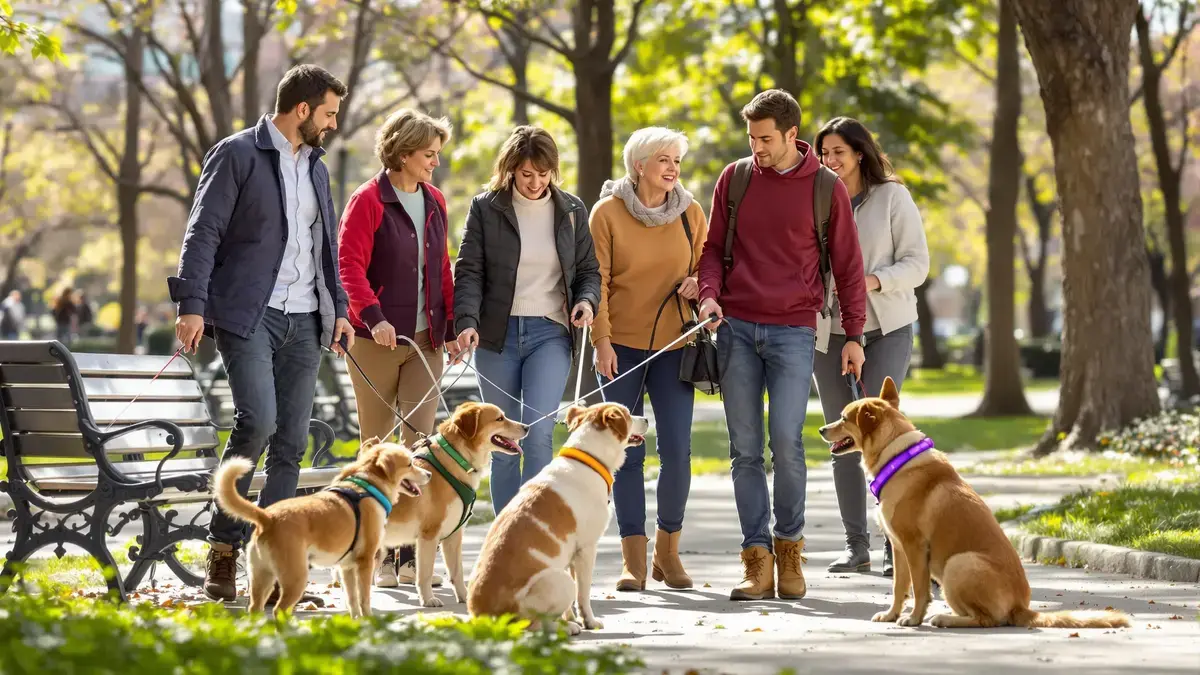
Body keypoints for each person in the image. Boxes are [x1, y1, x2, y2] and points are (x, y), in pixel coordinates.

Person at [168, 64, 354, 604]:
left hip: (305, 318)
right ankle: (224, 549)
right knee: (259, 423)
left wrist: (337, 310)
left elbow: (326, 250)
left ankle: (276, 562)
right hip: (249, 313)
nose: (333, 124)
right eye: (329, 113)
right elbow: (203, 231)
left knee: (292, 440)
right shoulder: (237, 154)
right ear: (302, 110)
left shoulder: (317, 170)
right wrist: (191, 304)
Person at [696, 89, 868, 602]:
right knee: (744, 450)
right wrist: (709, 297)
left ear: (793, 135)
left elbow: (848, 267)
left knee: (788, 445)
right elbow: (711, 250)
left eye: (766, 138)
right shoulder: (736, 178)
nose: (757, 147)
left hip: (795, 330)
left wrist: (854, 333)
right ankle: (756, 561)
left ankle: (790, 550)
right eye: (751, 137)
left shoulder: (825, 187)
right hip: (736, 329)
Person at [337, 108, 463, 588]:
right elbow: (348, 265)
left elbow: (442, 269)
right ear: (404, 152)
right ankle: (371, 548)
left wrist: (450, 328)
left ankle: (406, 554)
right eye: (429, 154)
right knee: (377, 447)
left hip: (425, 341)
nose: (435, 163)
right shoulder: (368, 200)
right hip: (374, 342)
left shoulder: (434, 201)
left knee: (418, 449)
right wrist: (374, 317)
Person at [453, 126, 600, 514]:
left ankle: (533, 533)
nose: (535, 183)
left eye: (543, 173)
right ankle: (505, 538)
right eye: (526, 174)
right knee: (503, 444)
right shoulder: (486, 207)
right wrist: (466, 321)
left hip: (549, 333)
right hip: (496, 337)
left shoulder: (571, 210)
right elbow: (468, 271)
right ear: (511, 170)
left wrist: (586, 301)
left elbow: (588, 271)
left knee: (536, 437)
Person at [590, 127, 707, 591]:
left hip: (676, 347)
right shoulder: (607, 213)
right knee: (627, 454)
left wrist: (701, 285)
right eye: (663, 159)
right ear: (639, 165)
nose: (673, 168)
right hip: (620, 347)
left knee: (677, 452)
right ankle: (632, 560)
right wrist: (601, 340)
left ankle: (668, 553)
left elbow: (708, 266)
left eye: (676, 159)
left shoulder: (690, 212)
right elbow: (594, 280)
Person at [813, 116, 929, 577]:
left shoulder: (892, 197)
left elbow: (918, 263)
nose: (830, 161)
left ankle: (892, 545)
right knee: (842, 435)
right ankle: (855, 544)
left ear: (860, 152)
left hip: (889, 326)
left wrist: (874, 281)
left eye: (838, 152)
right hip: (831, 331)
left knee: (881, 434)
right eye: (824, 153)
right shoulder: (817, 198)